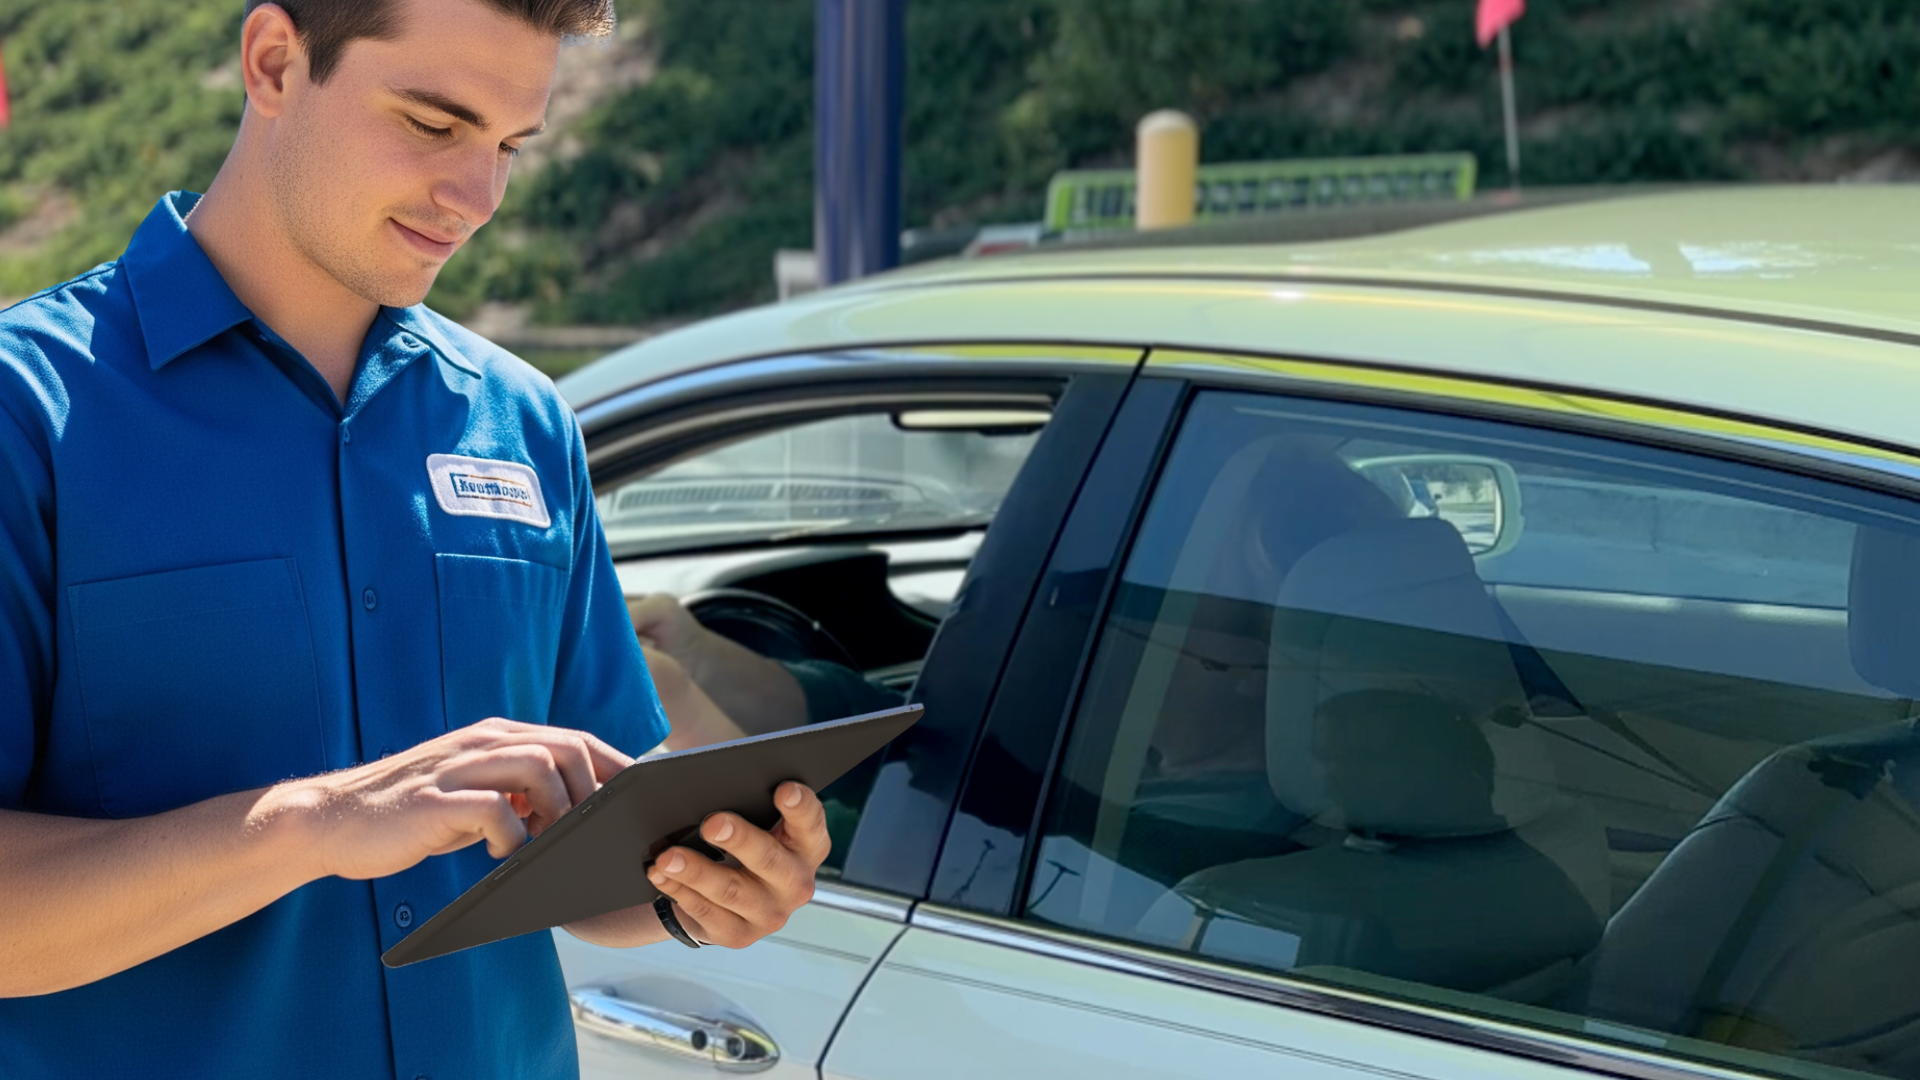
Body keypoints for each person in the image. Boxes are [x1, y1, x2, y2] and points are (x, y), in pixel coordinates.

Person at [0, 2, 829, 1077]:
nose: (477, 197)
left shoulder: (525, 425)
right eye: (435, 125)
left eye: (508, 147)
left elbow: (585, 857)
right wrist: (314, 822)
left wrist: (703, 889)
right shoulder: (28, 414)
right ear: (274, 62)